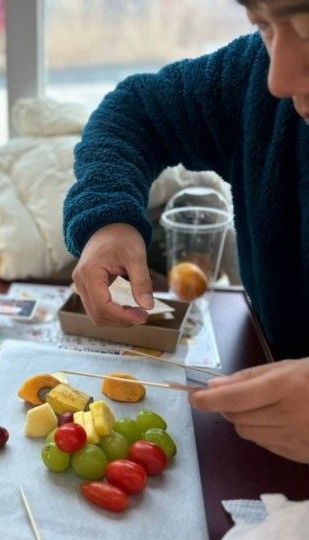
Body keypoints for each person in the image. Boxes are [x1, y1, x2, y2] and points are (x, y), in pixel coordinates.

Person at [62, 0, 308, 464]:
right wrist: (108, 220)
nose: (279, 79)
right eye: (263, 26)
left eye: (306, 28)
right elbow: (134, 112)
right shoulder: (252, 76)